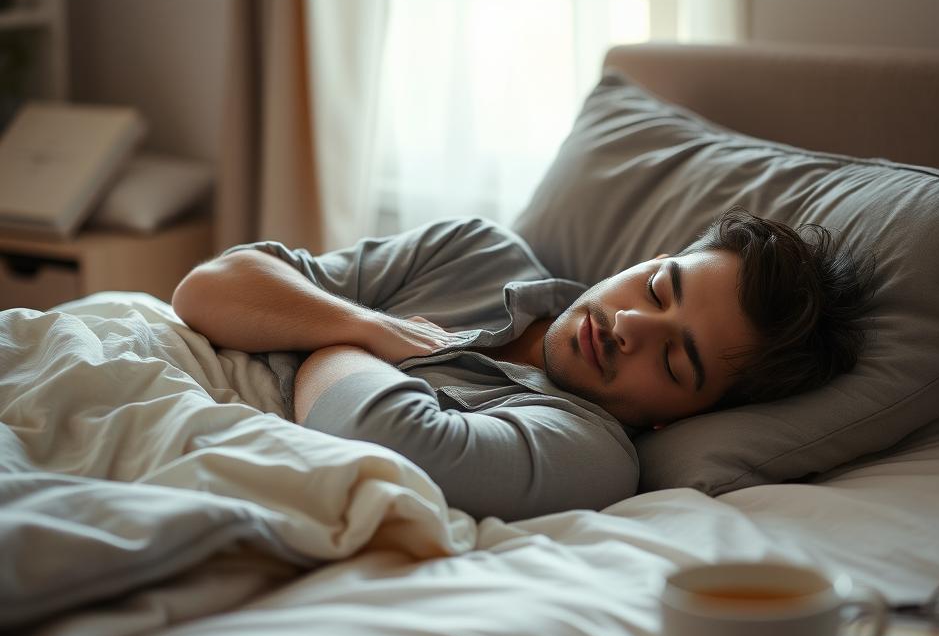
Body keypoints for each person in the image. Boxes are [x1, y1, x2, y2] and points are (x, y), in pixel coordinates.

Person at [171, 209, 874, 522]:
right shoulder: (475, 250)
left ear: (681, 415)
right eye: (658, 289)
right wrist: (366, 326)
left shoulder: (589, 451)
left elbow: (377, 437)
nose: (630, 326)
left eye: (675, 358)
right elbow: (209, 288)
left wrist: (324, 336)